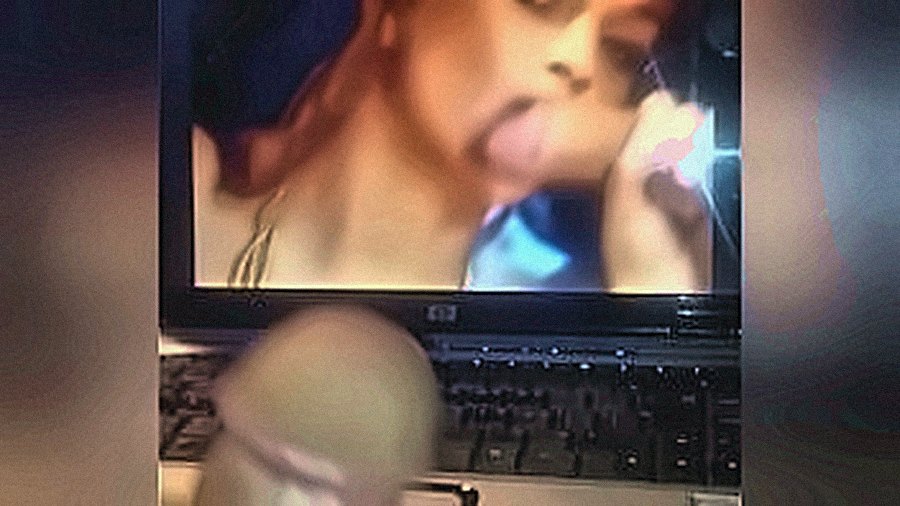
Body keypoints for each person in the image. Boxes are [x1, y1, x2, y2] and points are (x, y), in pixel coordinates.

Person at [193, 0, 713, 292]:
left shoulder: (542, 324)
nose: (577, 60)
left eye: (620, 49)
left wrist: (656, 283)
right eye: (540, 3)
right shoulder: (180, 200)